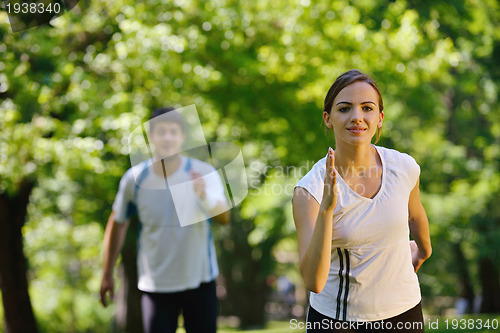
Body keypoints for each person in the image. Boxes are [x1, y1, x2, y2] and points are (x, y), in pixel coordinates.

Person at [292, 70, 432, 332]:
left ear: (379, 119)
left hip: (406, 313)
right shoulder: (309, 191)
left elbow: (415, 215)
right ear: (328, 119)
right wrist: (327, 209)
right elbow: (313, 280)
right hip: (338, 321)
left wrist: (424, 250)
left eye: (367, 108)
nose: (357, 117)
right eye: (344, 109)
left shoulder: (404, 167)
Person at [100, 107, 230, 333]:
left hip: (199, 281)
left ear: (182, 137)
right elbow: (118, 222)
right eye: (161, 132)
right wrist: (107, 273)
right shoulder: (135, 179)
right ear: (150, 136)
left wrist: (203, 195)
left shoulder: (202, 172)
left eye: (173, 131)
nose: (167, 137)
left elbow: (224, 218)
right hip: (155, 285)